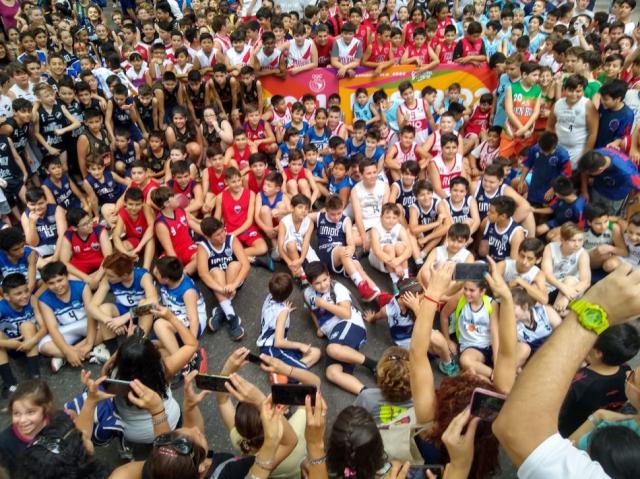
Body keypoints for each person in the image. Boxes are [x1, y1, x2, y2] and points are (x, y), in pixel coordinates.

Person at [493, 264, 640, 479]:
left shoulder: (579, 381)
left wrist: (594, 308)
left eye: (634, 378)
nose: (629, 373)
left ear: (597, 352)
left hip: (554, 435)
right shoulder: (621, 372)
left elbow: (518, 429)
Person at [104, 305, 197, 444]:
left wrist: (127, 347)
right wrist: (171, 317)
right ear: (154, 356)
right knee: (166, 350)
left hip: (132, 433)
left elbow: (105, 370)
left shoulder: (112, 375)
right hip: (168, 422)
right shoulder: (164, 369)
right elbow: (192, 345)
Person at [303, 261, 377, 395]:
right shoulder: (307, 293)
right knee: (332, 373)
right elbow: (311, 310)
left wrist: (324, 304)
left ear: (329, 276)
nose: (323, 285)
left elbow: (346, 314)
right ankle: (367, 394)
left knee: (331, 349)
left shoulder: (337, 288)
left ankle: (374, 365)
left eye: (325, 279)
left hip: (351, 324)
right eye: (317, 283)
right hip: (335, 333)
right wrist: (318, 327)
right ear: (310, 283)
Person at [559, 324, 640, 437]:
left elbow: (558, 412)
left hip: (570, 432)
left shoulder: (577, 382)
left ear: (598, 353)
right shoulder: (626, 371)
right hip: (598, 429)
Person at [197, 217, 251, 340]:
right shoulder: (203, 247)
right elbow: (203, 274)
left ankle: (221, 310)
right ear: (208, 237)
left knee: (234, 265)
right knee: (216, 271)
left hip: (234, 281)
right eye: (217, 235)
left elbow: (246, 265)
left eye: (223, 231)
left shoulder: (231, 239)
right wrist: (221, 289)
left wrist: (234, 285)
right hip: (217, 284)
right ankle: (232, 317)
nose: (222, 236)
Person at [542, 222, 592, 316]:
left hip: (573, 289)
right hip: (552, 286)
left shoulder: (583, 254)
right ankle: (561, 313)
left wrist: (567, 295)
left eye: (580, 240)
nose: (577, 244)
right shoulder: (550, 247)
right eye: (573, 240)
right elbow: (547, 274)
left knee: (570, 279)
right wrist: (564, 289)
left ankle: (557, 313)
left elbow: (586, 282)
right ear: (562, 240)